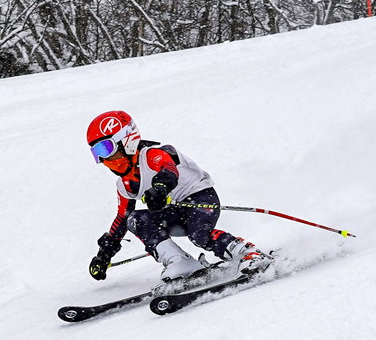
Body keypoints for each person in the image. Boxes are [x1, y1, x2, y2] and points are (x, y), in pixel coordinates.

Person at [85, 110, 272, 283]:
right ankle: (181, 263)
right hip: (174, 213)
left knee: (199, 235)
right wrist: (104, 254)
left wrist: (159, 188)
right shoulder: (125, 184)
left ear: (126, 140)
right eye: (96, 153)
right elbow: (121, 219)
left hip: (199, 199)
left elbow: (169, 170)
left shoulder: (152, 155)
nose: (103, 159)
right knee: (134, 219)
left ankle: (247, 254)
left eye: (106, 149)